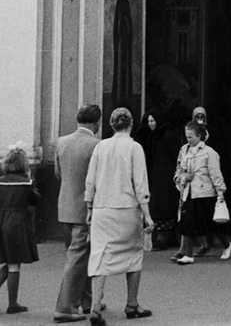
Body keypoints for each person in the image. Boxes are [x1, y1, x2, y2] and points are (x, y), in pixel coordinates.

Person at [85, 107, 153, 323]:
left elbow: (91, 179)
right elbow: (140, 183)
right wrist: (147, 215)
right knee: (133, 256)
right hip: (127, 209)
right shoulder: (135, 148)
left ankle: (95, 306)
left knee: (100, 256)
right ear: (131, 123)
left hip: (102, 210)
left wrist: (89, 208)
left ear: (111, 125)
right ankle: (132, 304)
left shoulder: (100, 147)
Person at [54, 104, 101, 324]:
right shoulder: (96, 145)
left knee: (78, 256)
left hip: (64, 207)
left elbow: (57, 174)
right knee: (78, 258)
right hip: (85, 210)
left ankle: (86, 300)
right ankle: (65, 307)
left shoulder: (62, 142)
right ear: (97, 123)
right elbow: (97, 180)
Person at [0, 146, 40, 315]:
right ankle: (11, 303)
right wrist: (32, 183)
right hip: (17, 223)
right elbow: (35, 200)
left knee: (9, 260)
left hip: (0, 223)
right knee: (15, 263)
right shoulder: (25, 183)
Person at [172, 119, 230, 264]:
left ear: (199, 136)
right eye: (187, 136)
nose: (188, 139)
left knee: (212, 223)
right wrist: (180, 179)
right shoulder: (184, 150)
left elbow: (215, 173)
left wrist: (220, 192)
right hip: (188, 192)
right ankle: (189, 255)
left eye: (191, 136)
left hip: (205, 193)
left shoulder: (209, 153)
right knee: (187, 223)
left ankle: (227, 245)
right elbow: (179, 168)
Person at [137, 109, 181, 251]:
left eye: (152, 121)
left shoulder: (167, 135)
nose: (150, 124)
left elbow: (176, 155)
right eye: (149, 121)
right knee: (160, 204)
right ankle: (168, 236)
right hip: (159, 176)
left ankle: (164, 237)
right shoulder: (156, 135)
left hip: (166, 177)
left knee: (164, 205)